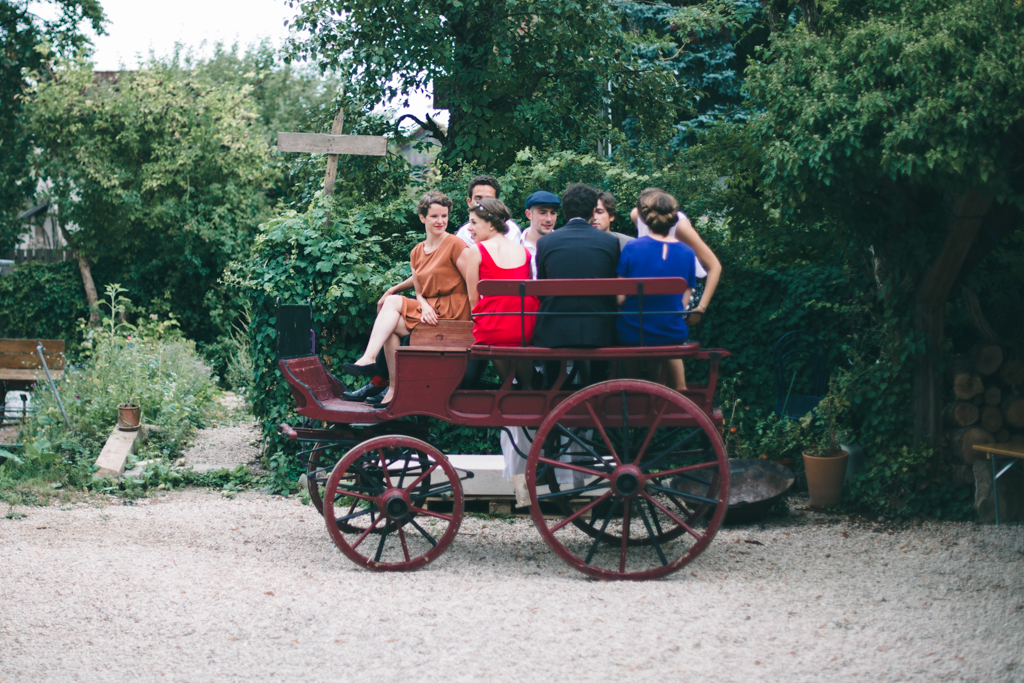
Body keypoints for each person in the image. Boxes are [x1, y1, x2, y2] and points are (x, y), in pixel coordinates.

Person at [342, 191, 470, 407]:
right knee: (391, 328)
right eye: (434, 216)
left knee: (392, 301)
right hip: (431, 311)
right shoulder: (416, 252)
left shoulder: (456, 245)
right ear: (422, 218)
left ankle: (369, 358)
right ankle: (393, 389)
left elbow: (473, 282)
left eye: (444, 216)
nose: (441, 221)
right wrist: (424, 305)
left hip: (454, 313)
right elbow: (420, 291)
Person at [617, 190, 696, 391]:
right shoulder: (687, 253)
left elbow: (619, 299)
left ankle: (633, 389)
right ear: (674, 217)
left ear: (644, 218)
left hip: (633, 332)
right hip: (671, 332)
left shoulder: (632, 248)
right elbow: (684, 301)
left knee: (626, 332)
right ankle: (680, 390)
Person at [532, 183, 620, 349]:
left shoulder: (545, 242)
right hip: (599, 330)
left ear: (564, 211)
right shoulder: (610, 242)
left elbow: (541, 291)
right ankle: (598, 375)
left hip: (555, 331)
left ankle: (553, 376)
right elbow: (612, 290)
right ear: (593, 211)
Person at [464, 197, 539, 381]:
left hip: (494, 326)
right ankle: (527, 386)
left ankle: (508, 385)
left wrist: (479, 319)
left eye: (474, 222)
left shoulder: (477, 250)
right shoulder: (523, 251)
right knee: (515, 337)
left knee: (492, 333)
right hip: (526, 325)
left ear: (490, 225)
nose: (469, 228)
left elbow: (473, 298)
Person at [629, 187, 721, 325]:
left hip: (688, 283)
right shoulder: (637, 214)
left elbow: (714, 265)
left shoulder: (680, 225)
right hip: (656, 279)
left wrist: (701, 308)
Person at [454, 175, 522, 246]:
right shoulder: (464, 234)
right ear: (469, 202)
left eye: (489, 199)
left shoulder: (511, 230)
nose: (483, 203)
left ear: (497, 202)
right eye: (478, 199)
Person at [517, 190, 560, 278]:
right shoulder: (517, 244)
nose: (549, 219)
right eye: (542, 212)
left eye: (553, 213)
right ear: (529, 214)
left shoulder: (562, 245)